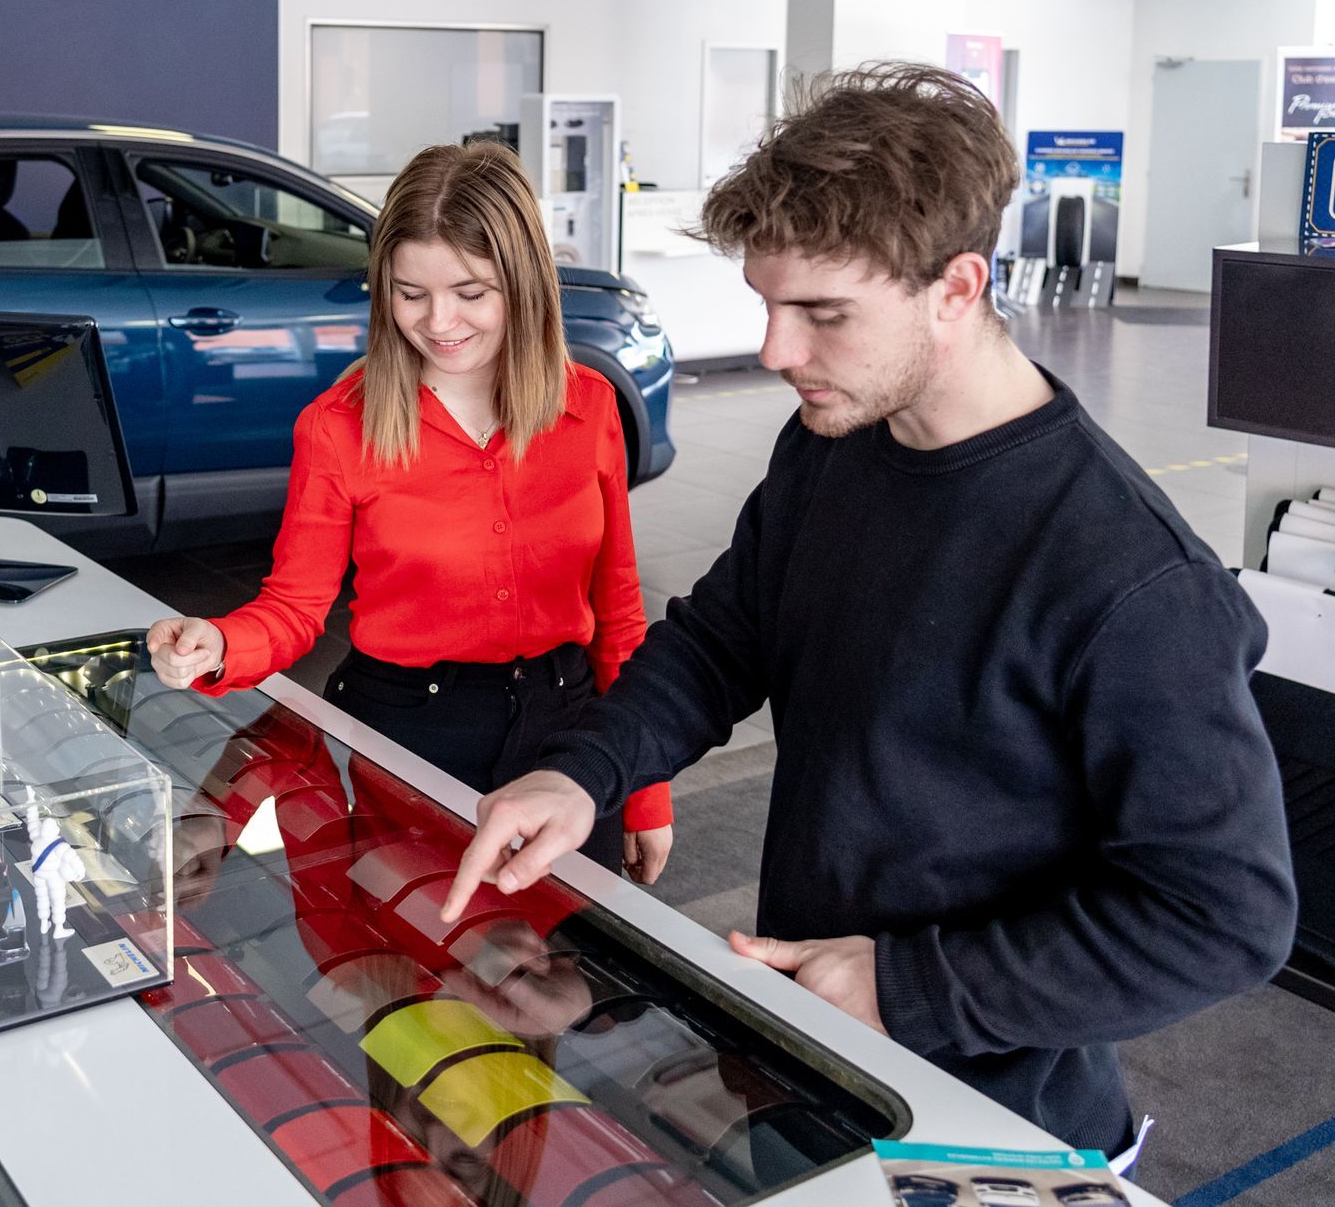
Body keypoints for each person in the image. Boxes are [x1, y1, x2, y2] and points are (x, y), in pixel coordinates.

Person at [439, 63, 1297, 1161]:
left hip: (995, 1129)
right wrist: (585, 767)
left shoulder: (1131, 579)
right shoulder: (829, 451)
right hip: (810, 1058)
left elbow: (1222, 915)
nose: (775, 351)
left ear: (957, 286)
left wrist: (908, 986)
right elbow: (722, 639)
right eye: (767, 304)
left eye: (822, 313)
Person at [145, 141, 672, 882]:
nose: (438, 321)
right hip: (411, 736)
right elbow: (295, 608)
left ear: (522, 283)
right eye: (410, 293)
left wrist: (644, 791)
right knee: (430, 975)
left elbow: (617, 610)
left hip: (571, 738)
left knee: (572, 980)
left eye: (470, 292)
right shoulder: (338, 426)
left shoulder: (587, 404)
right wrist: (217, 642)